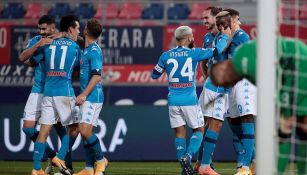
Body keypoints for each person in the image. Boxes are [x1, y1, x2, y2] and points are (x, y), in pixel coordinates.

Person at [210, 38, 307, 175]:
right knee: (302, 129)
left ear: (224, 67)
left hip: (293, 66)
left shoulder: (241, 64)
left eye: (225, 80)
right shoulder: (243, 64)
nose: (229, 83)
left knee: (285, 127)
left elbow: (271, 77)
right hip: (297, 59)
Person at [151, 25, 230, 175]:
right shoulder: (194, 53)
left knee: (179, 134)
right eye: (192, 36)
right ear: (188, 38)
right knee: (199, 130)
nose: (193, 38)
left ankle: (184, 169)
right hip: (190, 101)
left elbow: (154, 74)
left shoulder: (166, 55)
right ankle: (188, 156)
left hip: (173, 101)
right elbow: (216, 50)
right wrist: (225, 36)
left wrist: (164, 67)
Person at [19, 15, 71, 175]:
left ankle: (65, 165)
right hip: (37, 90)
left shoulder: (61, 40)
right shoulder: (37, 40)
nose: (40, 31)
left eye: (43, 29)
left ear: (52, 28)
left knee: (62, 129)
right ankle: (54, 157)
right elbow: (23, 58)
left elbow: (78, 39)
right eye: (39, 28)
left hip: (54, 90)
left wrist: (63, 35)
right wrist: (38, 45)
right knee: (28, 129)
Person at [30, 15, 81, 175]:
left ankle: (36, 169)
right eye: (77, 28)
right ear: (71, 29)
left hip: (47, 92)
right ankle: (60, 160)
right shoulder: (74, 47)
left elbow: (32, 61)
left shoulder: (48, 44)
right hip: (64, 92)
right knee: (74, 128)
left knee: (43, 132)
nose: (78, 31)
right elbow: (77, 70)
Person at [197, 11, 232, 175]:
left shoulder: (217, 36)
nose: (204, 21)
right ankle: (204, 165)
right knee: (213, 125)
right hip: (217, 87)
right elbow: (208, 58)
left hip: (213, 85)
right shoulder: (222, 37)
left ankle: (199, 162)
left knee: (204, 125)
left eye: (206, 18)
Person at [223, 8, 256, 175]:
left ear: (233, 21)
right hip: (230, 85)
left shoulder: (242, 36)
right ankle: (253, 161)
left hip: (243, 82)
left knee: (246, 119)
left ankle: (245, 167)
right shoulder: (225, 38)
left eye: (225, 21)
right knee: (234, 126)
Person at [73, 19, 108, 175]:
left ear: (86, 31)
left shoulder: (94, 51)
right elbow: (79, 40)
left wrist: (83, 94)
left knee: (85, 131)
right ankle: (88, 168)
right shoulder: (86, 49)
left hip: (93, 96)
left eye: (84, 28)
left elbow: (96, 77)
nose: (82, 30)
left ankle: (101, 161)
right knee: (84, 132)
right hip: (89, 96)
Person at [194, 6, 223, 172]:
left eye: (207, 18)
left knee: (222, 123)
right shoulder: (206, 37)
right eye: (203, 18)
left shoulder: (224, 36)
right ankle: (202, 162)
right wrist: (206, 77)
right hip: (211, 85)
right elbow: (203, 62)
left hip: (225, 85)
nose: (204, 21)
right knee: (203, 123)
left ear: (216, 18)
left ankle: (248, 161)